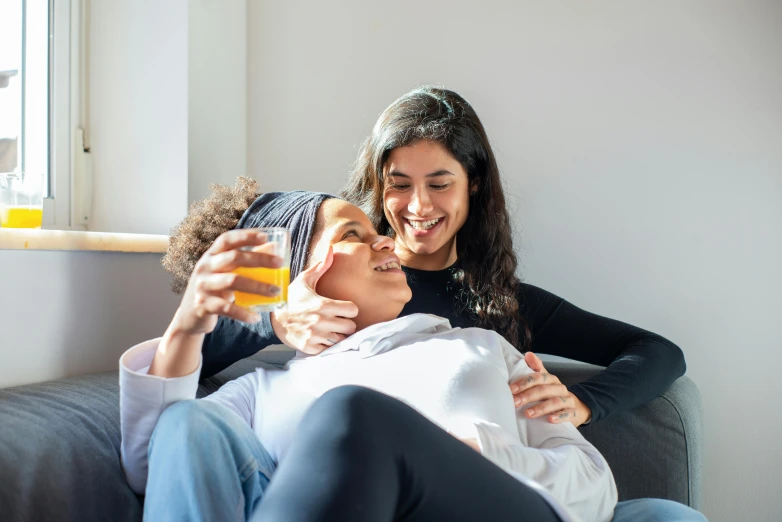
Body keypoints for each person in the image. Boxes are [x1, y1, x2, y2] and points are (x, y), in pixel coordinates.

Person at [170, 88, 707, 520]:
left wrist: (584, 403)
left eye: (440, 183)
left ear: (473, 187)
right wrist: (275, 317)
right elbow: (195, 359)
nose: (418, 206)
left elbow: (657, 351)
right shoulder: (334, 274)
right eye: (399, 185)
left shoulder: (500, 309)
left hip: (482, 483)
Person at [121, 191, 618, 521]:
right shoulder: (261, 392)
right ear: (298, 280)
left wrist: (484, 452)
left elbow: (594, 487)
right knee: (187, 421)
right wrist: (187, 323)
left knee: (351, 411)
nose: (389, 240)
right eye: (352, 235)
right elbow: (155, 463)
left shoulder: (482, 347)